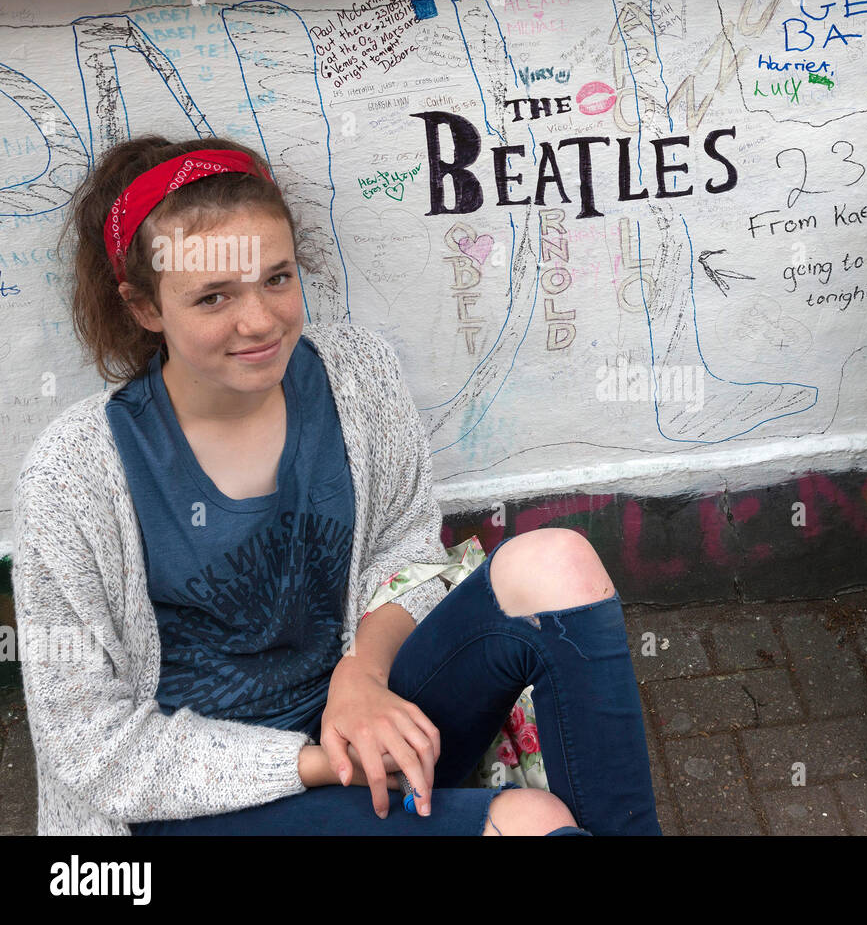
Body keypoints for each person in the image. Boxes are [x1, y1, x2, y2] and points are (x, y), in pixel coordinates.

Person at [11, 136, 661, 836]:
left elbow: (405, 551)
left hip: (371, 723)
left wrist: (362, 674)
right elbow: (90, 746)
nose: (258, 321)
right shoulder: (75, 474)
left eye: (277, 278)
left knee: (554, 560)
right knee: (529, 820)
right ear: (144, 307)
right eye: (212, 297)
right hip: (207, 799)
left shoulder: (356, 376)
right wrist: (318, 760)